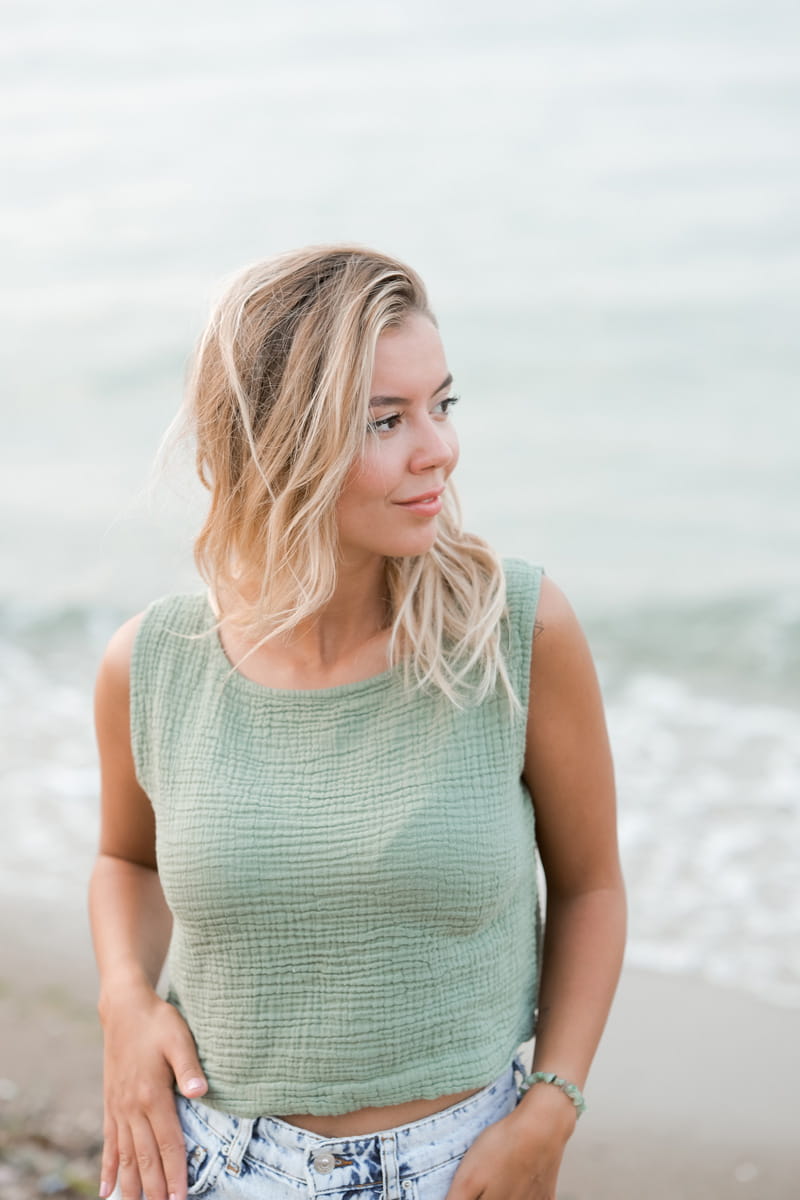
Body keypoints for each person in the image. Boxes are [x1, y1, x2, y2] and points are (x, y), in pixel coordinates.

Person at [89, 245, 626, 1200]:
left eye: (442, 405)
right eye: (386, 420)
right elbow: (126, 862)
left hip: (462, 1167)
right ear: (277, 442)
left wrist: (553, 1106)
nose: (438, 449)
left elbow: (590, 886)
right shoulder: (153, 664)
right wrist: (124, 999)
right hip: (206, 1163)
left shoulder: (516, 631)